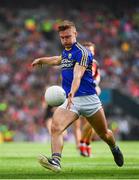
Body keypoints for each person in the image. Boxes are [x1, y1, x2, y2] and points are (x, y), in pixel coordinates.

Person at [32, 20, 124, 172]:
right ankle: (56, 161)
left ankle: (114, 148)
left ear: (75, 34)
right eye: (62, 37)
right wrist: (42, 60)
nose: (65, 40)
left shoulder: (83, 52)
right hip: (71, 100)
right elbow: (58, 59)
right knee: (55, 127)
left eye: (68, 36)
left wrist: (72, 92)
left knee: (104, 134)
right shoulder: (66, 51)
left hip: (88, 99)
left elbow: (77, 75)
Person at [79, 42, 101, 157]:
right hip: (82, 95)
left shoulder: (94, 63)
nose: (88, 52)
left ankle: (86, 144)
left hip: (92, 94)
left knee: (92, 123)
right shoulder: (80, 62)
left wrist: (96, 85)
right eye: (86, 50)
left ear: (93, 52)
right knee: (90, 122)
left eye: (90, 50)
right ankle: (83, 144)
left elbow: (95, 77)